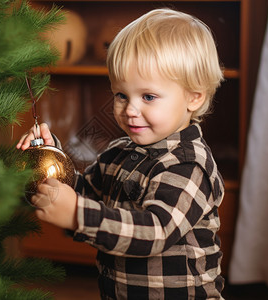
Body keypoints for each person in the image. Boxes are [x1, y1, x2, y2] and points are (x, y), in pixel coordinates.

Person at [17, 8, 225, 299]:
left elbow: (155, 232)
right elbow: (85, 192)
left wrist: (78, 215)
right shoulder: (118, 153)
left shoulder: (189, 165)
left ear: (194, 96)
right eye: (121, 95)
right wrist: (51, 159)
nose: (130, 110)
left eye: (148, 97)